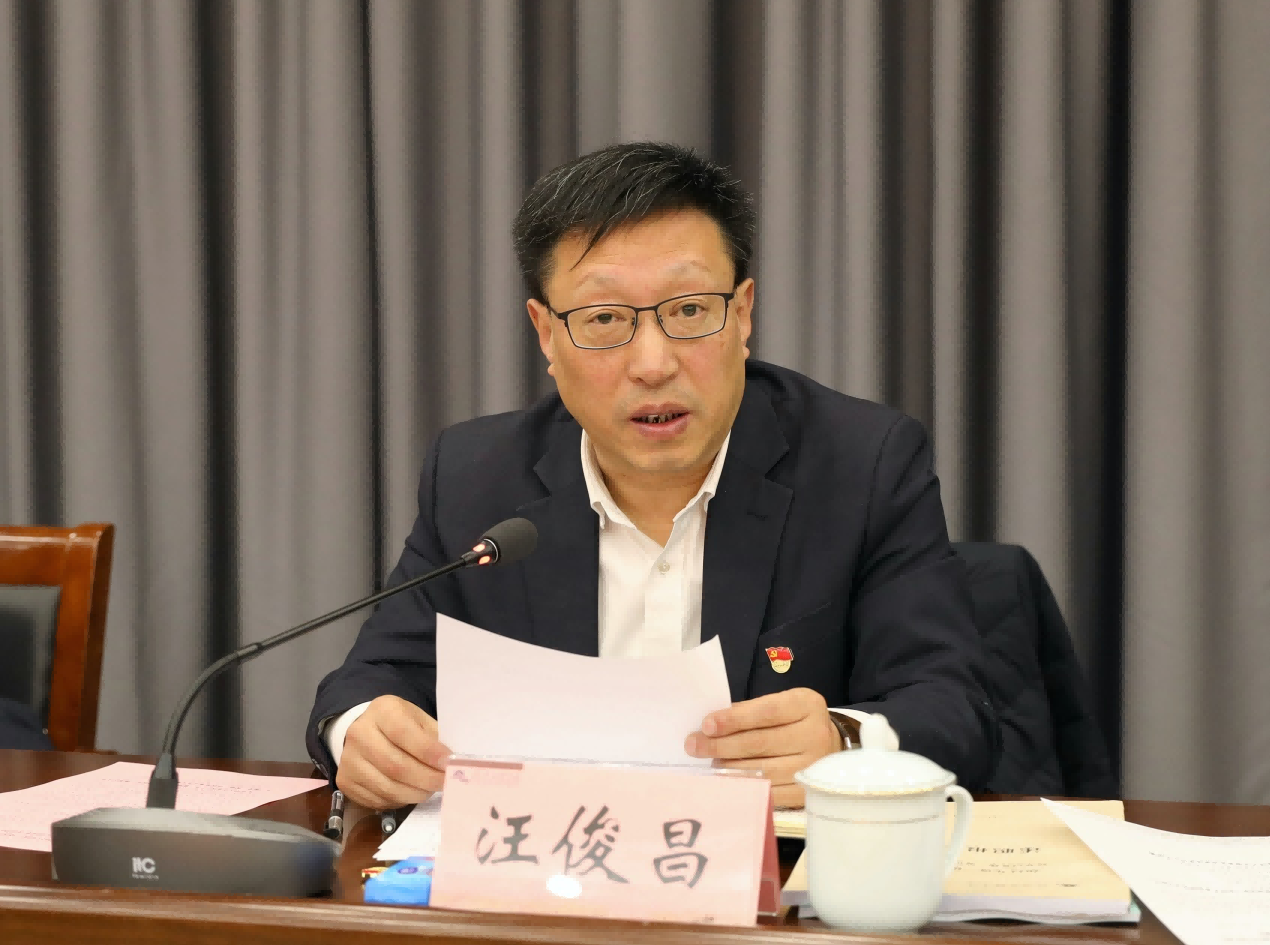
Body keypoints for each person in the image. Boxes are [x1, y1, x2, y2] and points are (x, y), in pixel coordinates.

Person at [307, 142, 999, 810]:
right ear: (546, 334)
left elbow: (953, 706)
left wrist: (842, 743)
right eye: (604, 318)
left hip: (773, 880)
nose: (652, 364)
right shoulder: (477, 476)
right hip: (545, 870)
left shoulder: (861, 463)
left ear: (743, 313)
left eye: (689, 310)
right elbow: (373, 679)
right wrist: (362, 733)